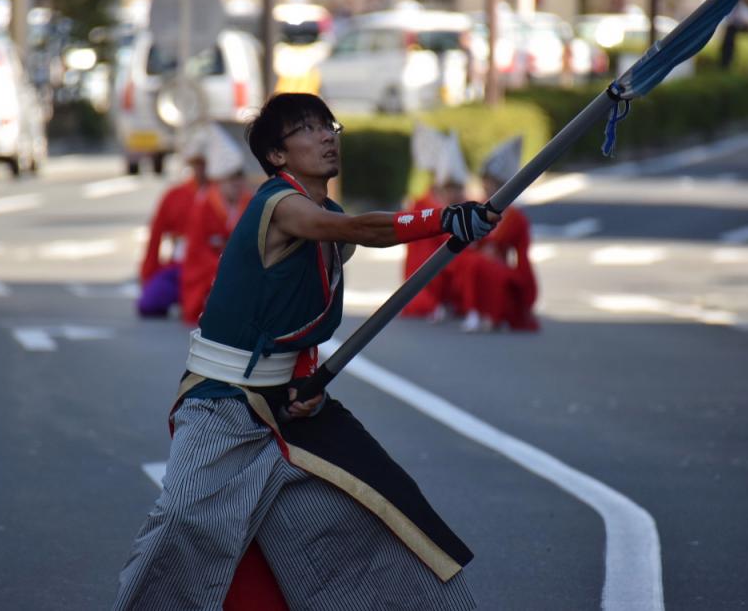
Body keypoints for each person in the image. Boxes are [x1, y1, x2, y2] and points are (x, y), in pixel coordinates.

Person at [113, 93, 498, 610]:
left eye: (329, 126)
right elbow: (363, 228)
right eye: (308, 129)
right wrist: (442, 219)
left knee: (374, 521)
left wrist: (307, 385)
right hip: (222, 405)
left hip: (289, 409)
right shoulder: (279, 204)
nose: (326, 137)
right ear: (277, 155)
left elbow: (295, 321)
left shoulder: (327, 216)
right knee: (183, 525)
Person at [458, 136, 539, 333]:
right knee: (471, 264)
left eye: (491, 182)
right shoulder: (475, 207)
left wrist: (525, 290)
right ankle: (472, 312)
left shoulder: (516, 218)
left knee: (492, 272)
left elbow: (522, 256)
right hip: (473, 260)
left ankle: (494, 315)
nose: (486, 186)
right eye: (484, 181)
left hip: (500, 267)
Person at [178, 124, 253, 324]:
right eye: (231, 179)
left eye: (240, 178)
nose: (237, 184)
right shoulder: (201, 206)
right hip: (206, 274)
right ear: (219, 181)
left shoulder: (251, 204)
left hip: (240, 272)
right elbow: (196, 252)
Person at [401, 128, 471, 320]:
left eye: (456, 188)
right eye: (450, 187)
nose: (453, 192)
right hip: (426, 262)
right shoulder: (422, 203)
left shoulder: (460, 203)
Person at [136, 139, 207, 318]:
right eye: (198, 164)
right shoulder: (175, 195)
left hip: (211, 268)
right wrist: (148, 275)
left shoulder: (224, 198)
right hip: (179, 267)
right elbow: (155, 236)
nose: (203, 169)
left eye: (206, 164)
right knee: (149, 303)